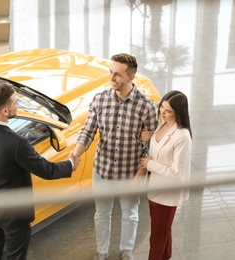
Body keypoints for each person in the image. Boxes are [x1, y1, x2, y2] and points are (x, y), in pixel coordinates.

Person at [0, 82, 80, 260]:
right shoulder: (17, 143)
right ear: (5, 111)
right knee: (15, 255)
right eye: (15, 102)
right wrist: (70, 165)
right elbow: (47, 171)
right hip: (14, 212)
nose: (17, 104)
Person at [73, 53, 158, 260]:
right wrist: (76, 153)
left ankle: (126, 251)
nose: (112, 77)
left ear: (131, 78)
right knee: (102, 214)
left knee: (130, 214)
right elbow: (88, 130)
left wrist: (139, 177)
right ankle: (102, 253)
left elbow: (153, 146)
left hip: (130, 173)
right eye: (111, 72)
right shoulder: (100, 99)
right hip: (102, 170)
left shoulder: (146, 106)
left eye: (118, 75)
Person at [138, 90, 192, 260]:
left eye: (168, 111)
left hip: (167, 193)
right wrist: (146, 138)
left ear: (178, 112)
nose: (162, 112)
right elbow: (157, 149)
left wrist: (150, 164)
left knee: (157, 237)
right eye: (161, 107)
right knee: (163, 232)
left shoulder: (182, 137)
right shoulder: (162, 125)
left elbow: (177, 174)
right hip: (154, 188)